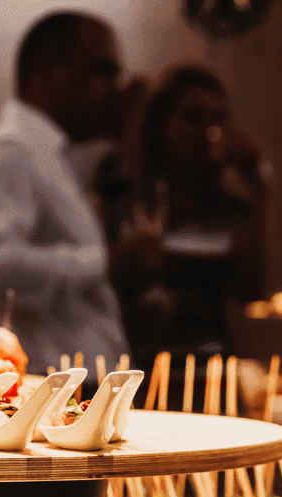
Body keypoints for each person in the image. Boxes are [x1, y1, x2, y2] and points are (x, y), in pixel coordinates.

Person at [0, 12, 147, 374]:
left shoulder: (47, 152)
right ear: (48, 69)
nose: (113, 88)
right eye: (102, 70)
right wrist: (105, 262)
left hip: (70, 383)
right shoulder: (9, 150)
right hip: (45, 390)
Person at [115, 66, 268, 370]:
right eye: (192, 117)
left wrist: (256, 191)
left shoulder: (229, 206)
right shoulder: (128, 198)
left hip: (211, 367)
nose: (208, 130)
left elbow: (252, 293)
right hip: (136, 368)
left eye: (218, 118)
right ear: (161, 125)